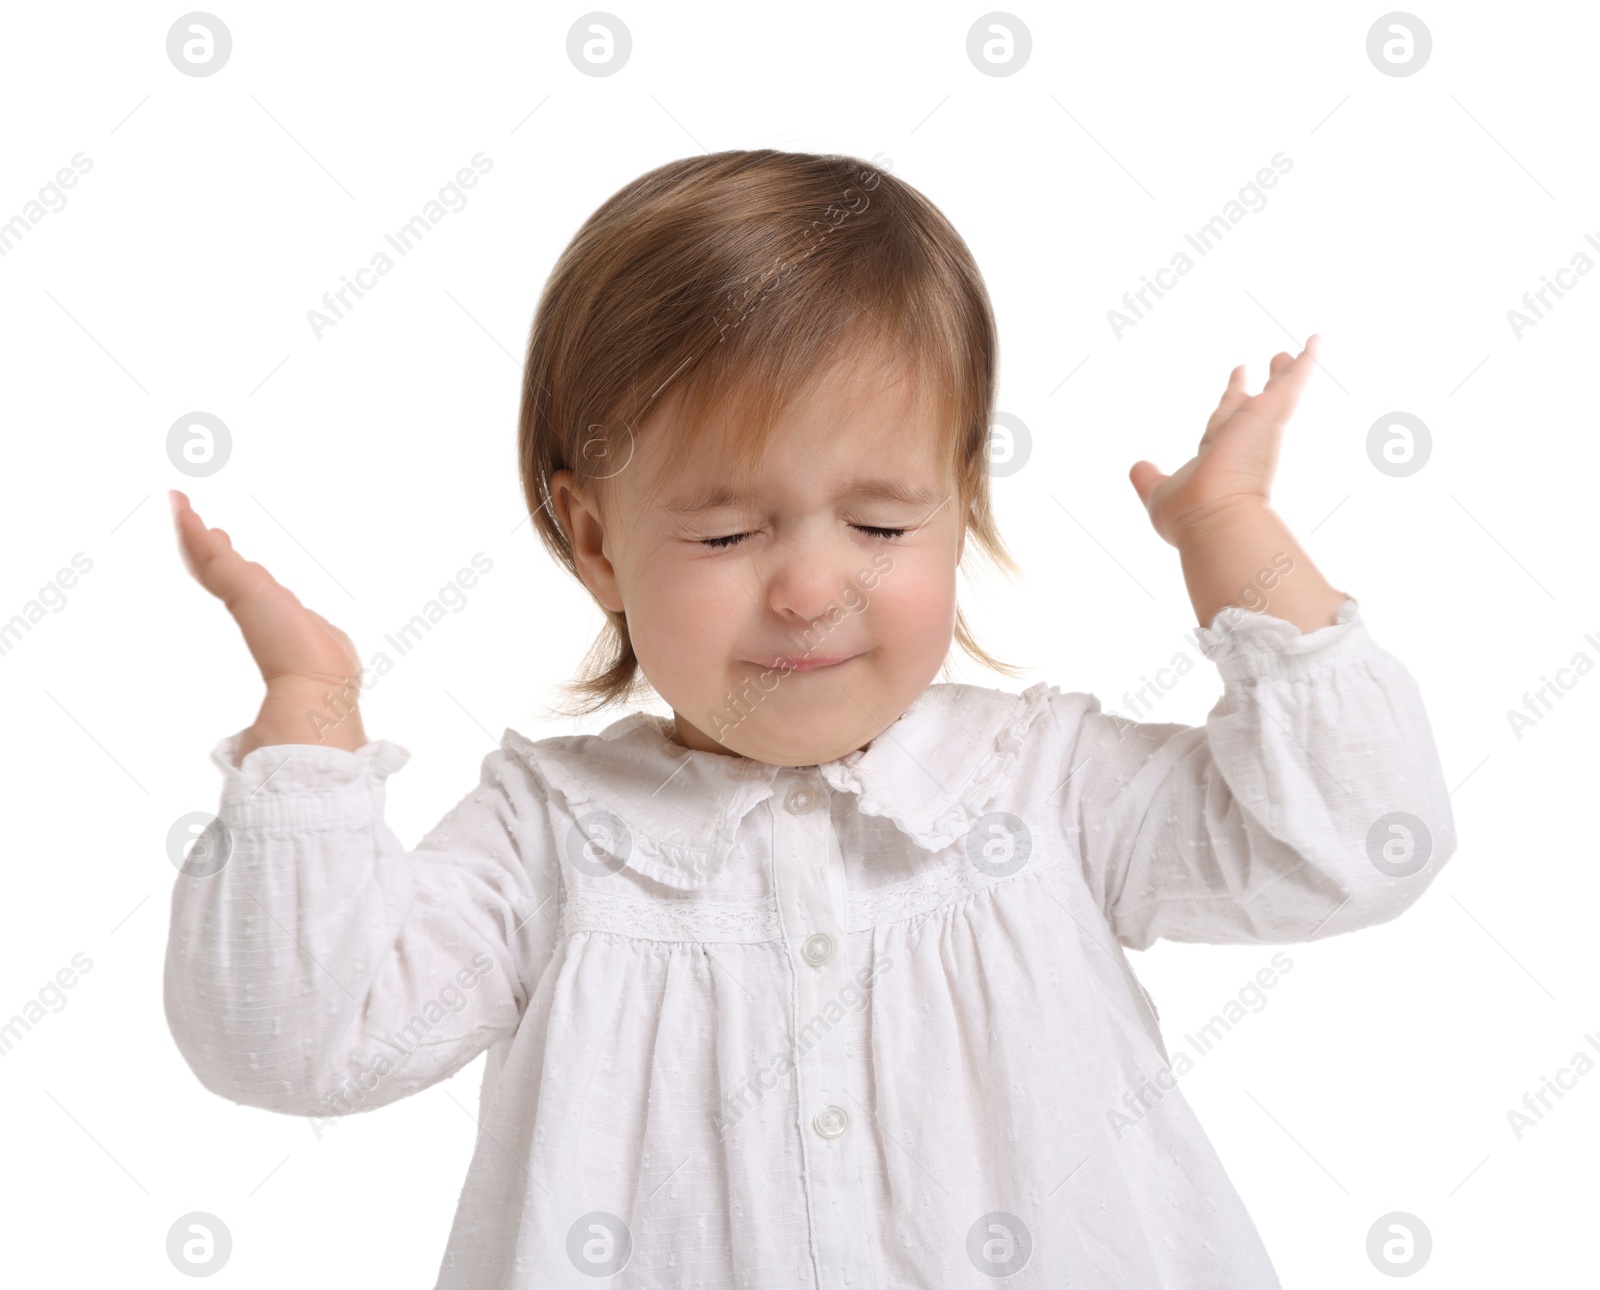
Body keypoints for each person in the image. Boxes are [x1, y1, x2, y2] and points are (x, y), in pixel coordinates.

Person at [164, 149, 1455, 1287]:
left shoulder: (1046, 789)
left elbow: (1361, 843)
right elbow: (293, 1041)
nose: (809, 587)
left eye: (882, 524)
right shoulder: (553, 841)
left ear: (958, 508)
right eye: (727, 530)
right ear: (597, 540)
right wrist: (310, 710)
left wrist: (1234, 534)